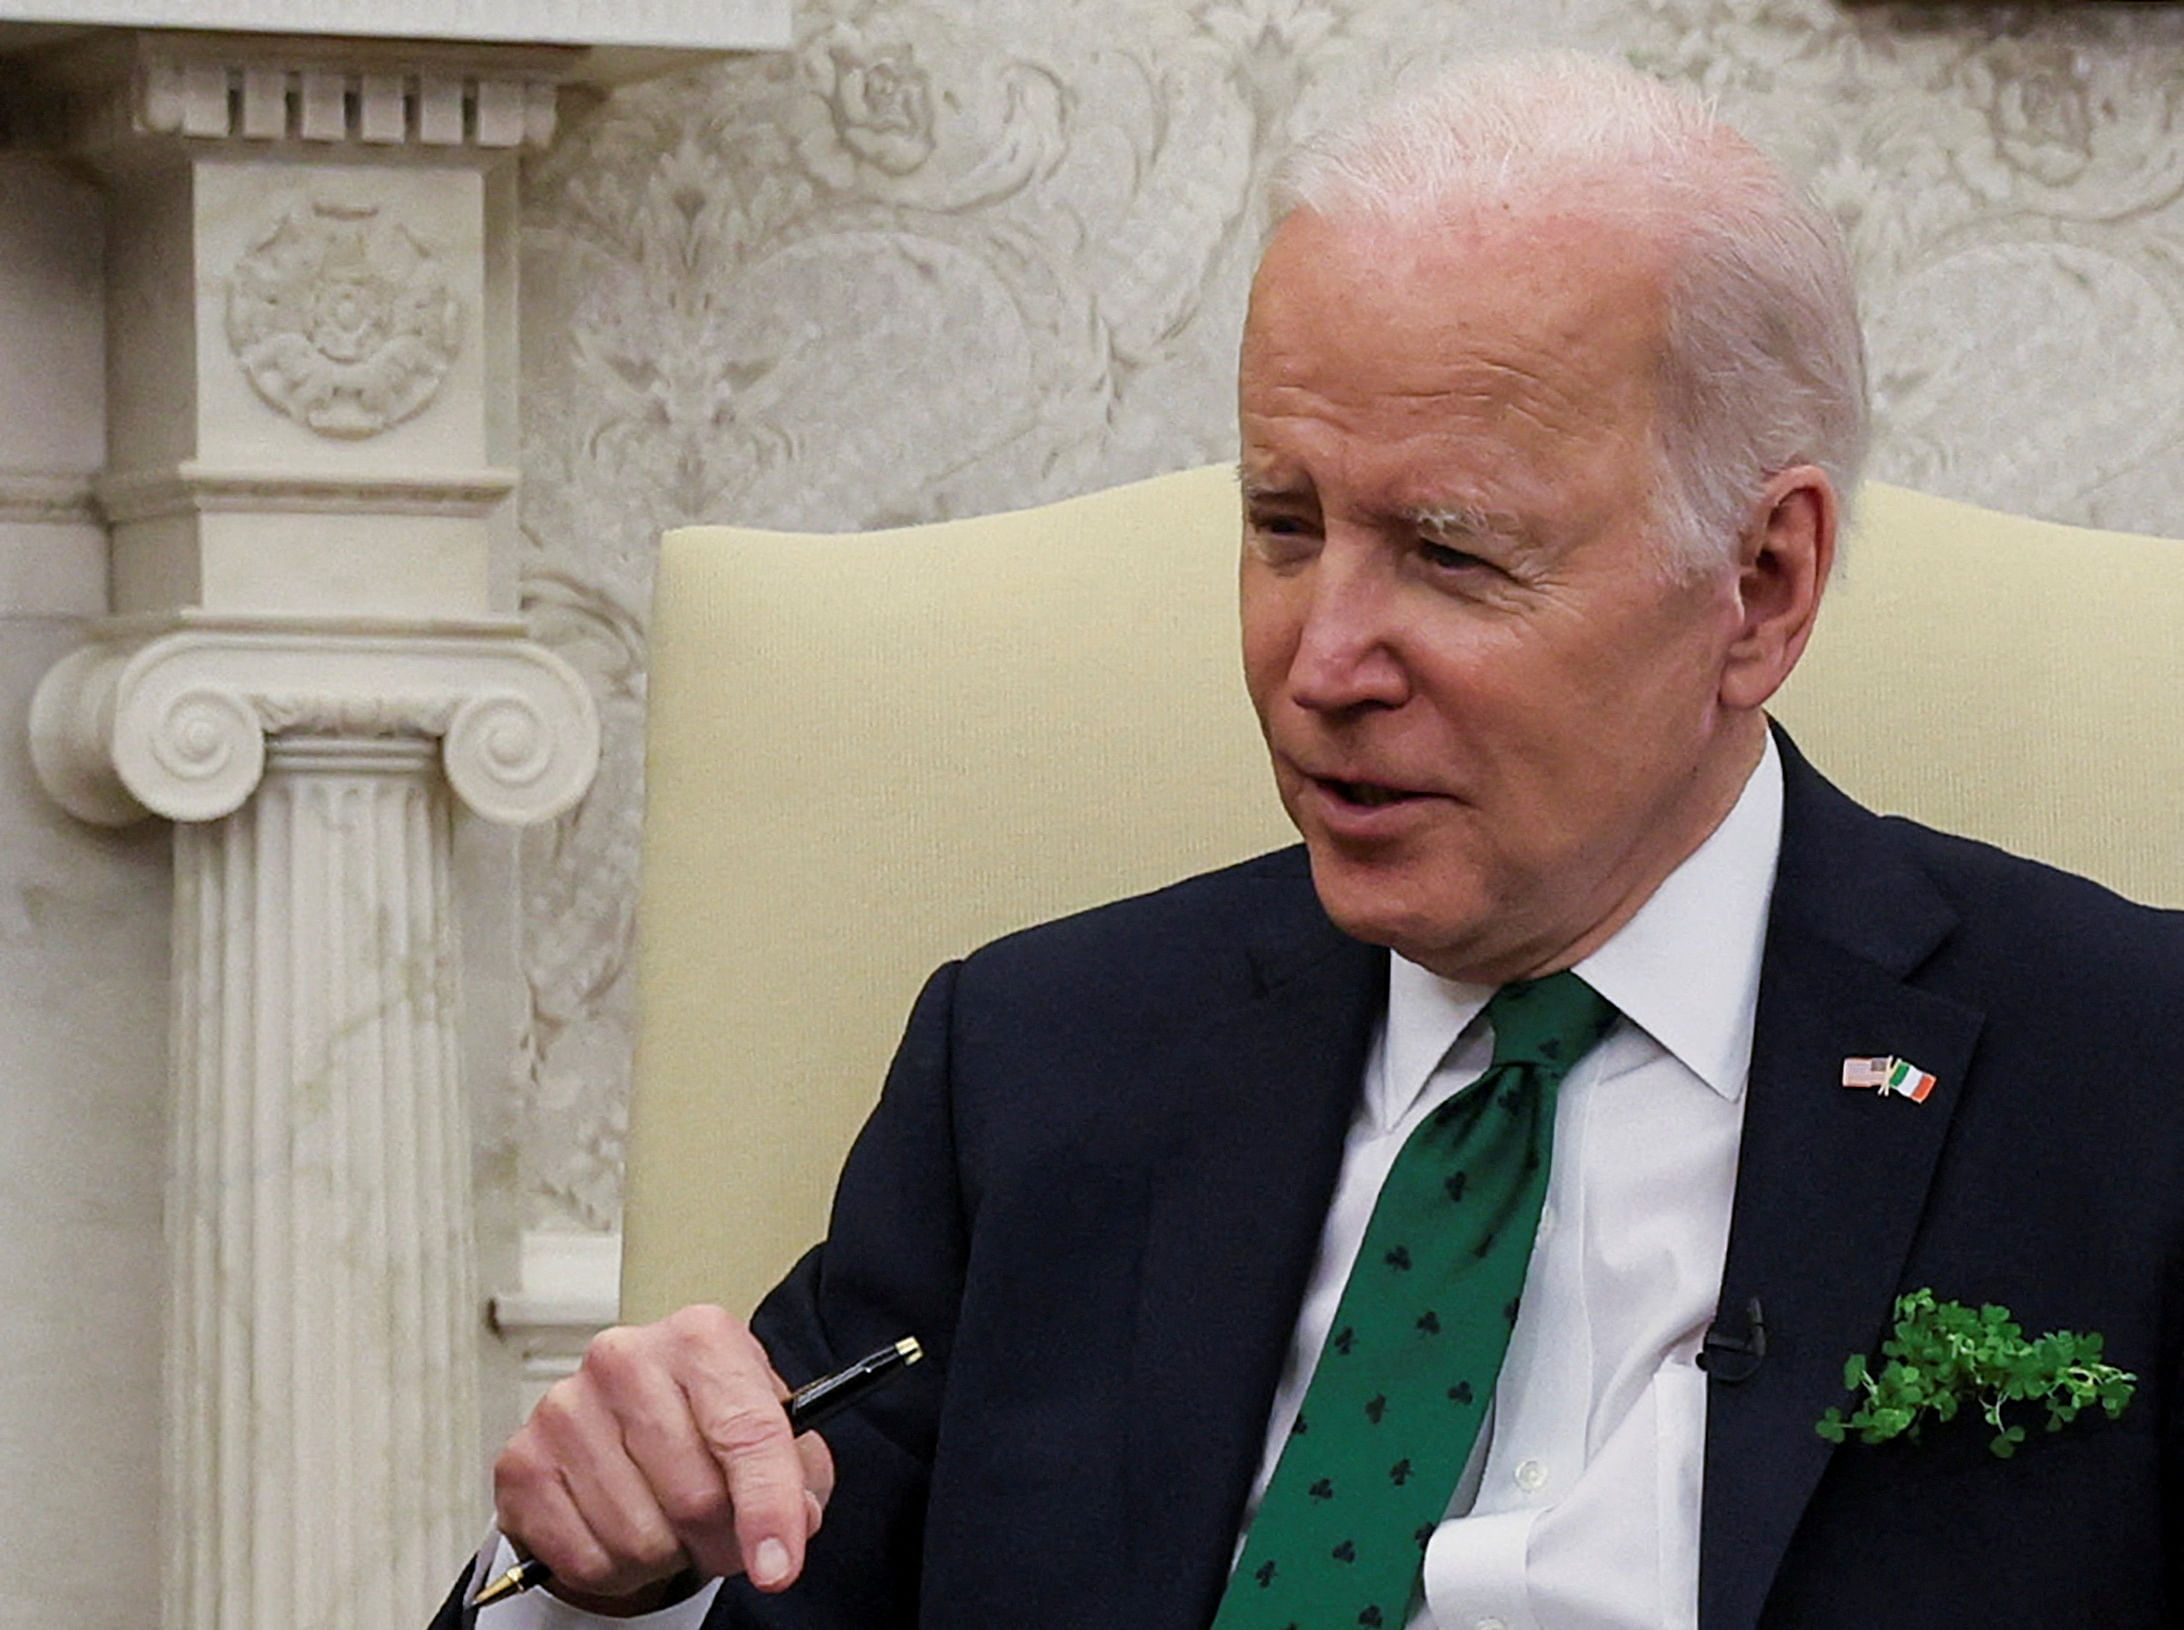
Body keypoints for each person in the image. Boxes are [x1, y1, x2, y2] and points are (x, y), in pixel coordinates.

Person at [439, 52, 2184, 1630]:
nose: (1320, 659)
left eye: (1451, 553)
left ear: (1760, 584)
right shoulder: (1038, 1070)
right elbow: (754, 1556)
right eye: (1284, 526)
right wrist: (611, 1573)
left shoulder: (2128, 1080)